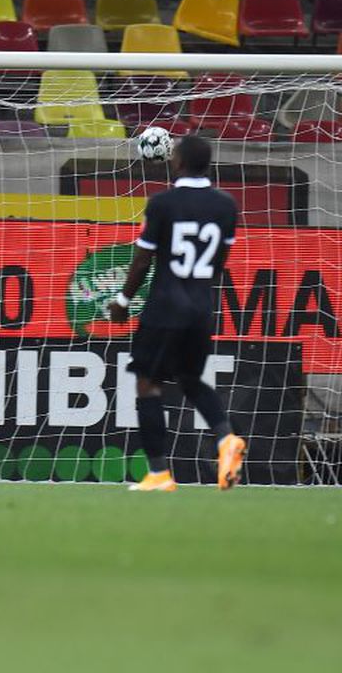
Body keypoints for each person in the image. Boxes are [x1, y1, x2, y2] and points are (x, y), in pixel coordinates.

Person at [108, 134, 247, 492]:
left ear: (178, 162)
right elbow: (219, 261)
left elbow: (142, 260)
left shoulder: (162, 204)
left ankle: (159, 474)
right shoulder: (227, 207)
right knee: (190, 379)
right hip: (201, 307)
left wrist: (123, 301)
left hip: (165, 306)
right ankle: (226, 438)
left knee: (147, 383)